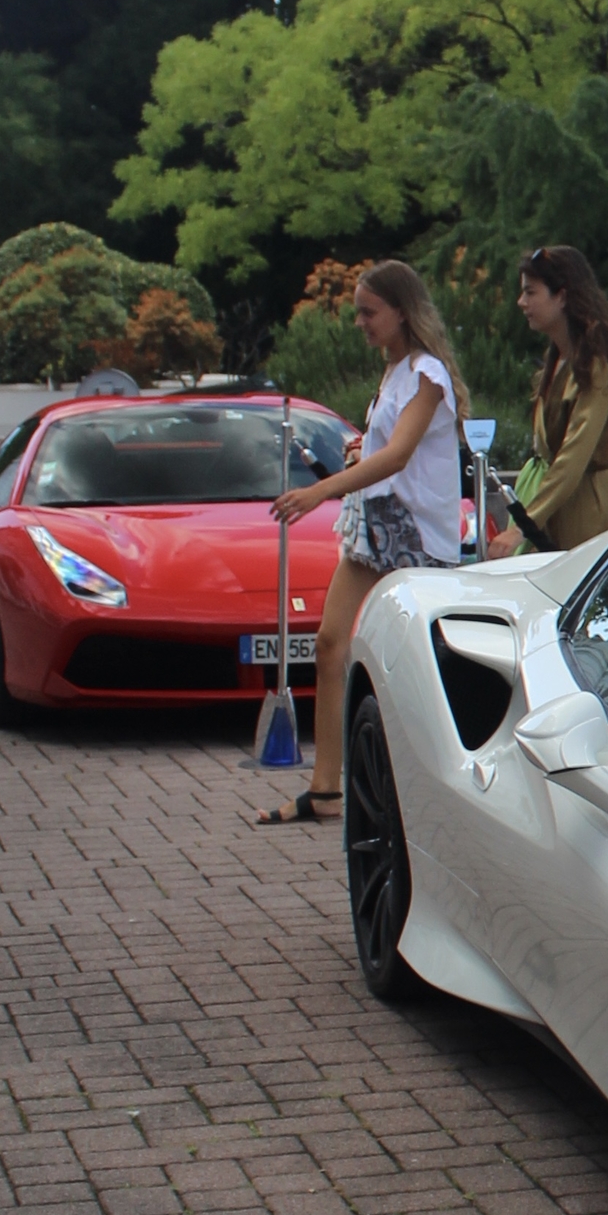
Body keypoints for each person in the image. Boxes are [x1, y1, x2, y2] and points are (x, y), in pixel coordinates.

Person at [254, 260, 466, 826]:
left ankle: (438, 789)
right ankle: (327, 789)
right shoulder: (396, 372)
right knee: (329, 645)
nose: (361, 323)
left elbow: (397, 456)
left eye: (369, 312)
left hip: (415, 537)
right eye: (357, 313)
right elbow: (388, 453)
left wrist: (317, 491)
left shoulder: (428, 374)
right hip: (375, 528)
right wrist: (357, 456)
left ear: (402, 311)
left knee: (420, 664)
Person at [492, 245, 608, 556]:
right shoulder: (558, 358)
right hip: (558, 506)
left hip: (591, 513)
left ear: (561, 295)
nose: (522, 302)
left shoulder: (596, 363)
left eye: (531, 292)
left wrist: (524, 527)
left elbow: (574, 455)